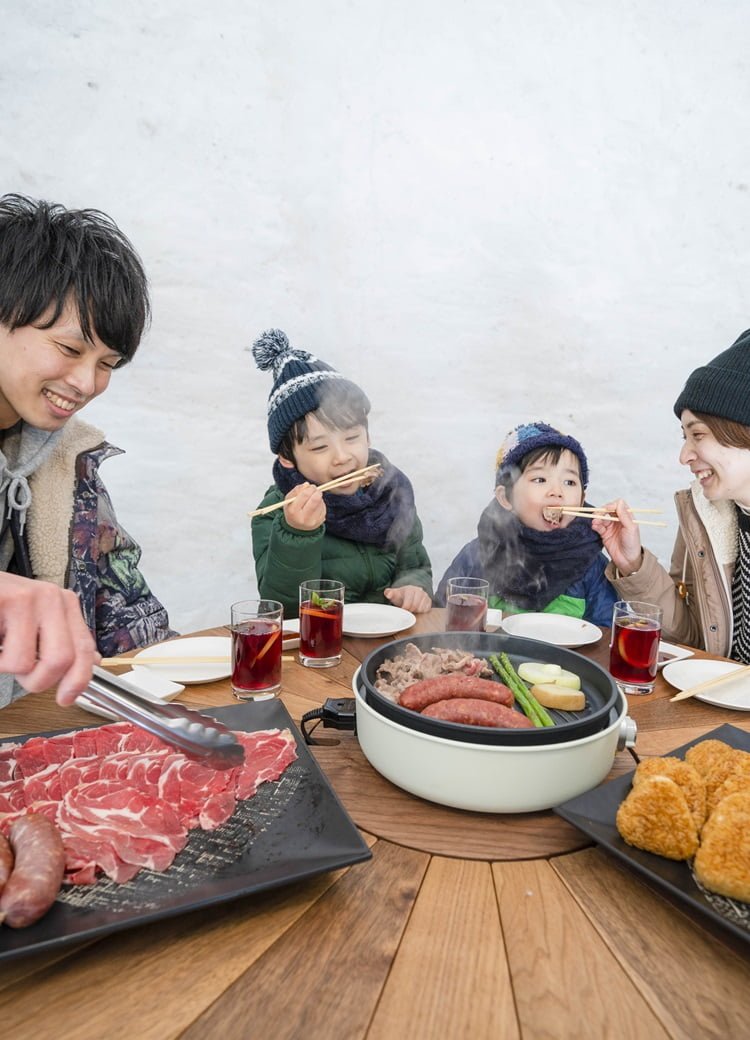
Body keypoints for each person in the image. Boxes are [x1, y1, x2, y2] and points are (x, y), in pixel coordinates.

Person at [0, 193, 173, 707]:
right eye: (70, 349)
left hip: (26, 730)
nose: (85, 382)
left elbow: (123, 603)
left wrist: (173, 681)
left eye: (107, 364)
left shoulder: (66, 458)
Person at [251, 328, 433, 619]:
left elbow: (415, 566)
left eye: (351, 438)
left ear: (368, 437)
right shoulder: (276, 513)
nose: (342, 457)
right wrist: (297, 534)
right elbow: (284, 609)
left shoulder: (391, 492)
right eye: (320, 446)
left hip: (389, 638)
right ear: (287, 458)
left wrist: (412, 588)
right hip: (320, 640)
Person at [593, 330, 750, 660]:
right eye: (684, 437)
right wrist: (633, 565)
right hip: (720, 692)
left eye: (698, 435)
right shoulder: (705, 514)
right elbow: (695, 638)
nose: (684, 456)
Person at [436, 421, 617, 625]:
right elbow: (443, 617)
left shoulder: (591, 562)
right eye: (540, 480)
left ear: (582, 500)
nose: (557, 491)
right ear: (506, 498)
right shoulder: (479, 555)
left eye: (569, 482)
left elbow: (605, 633)